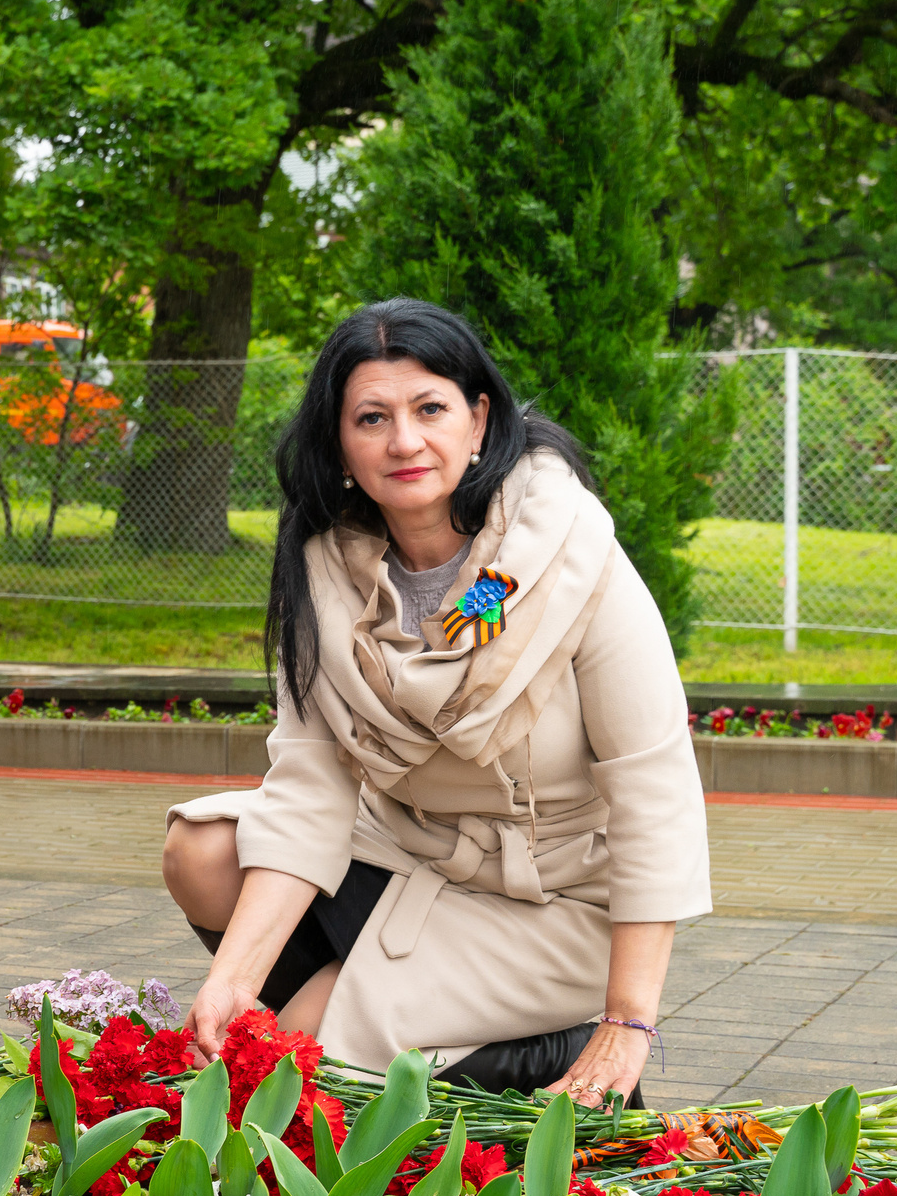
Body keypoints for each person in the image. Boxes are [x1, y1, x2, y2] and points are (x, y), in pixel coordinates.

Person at [162, 299, 709, 1107]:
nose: (405, 441)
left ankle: (516, 1049)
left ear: (478, 419)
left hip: (552, 900)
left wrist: (630, 1018)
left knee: (295, 1061)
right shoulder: (327, 576)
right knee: (201, 853)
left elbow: (654, 791)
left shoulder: (562, 560)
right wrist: (229, 985)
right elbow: (312, 785)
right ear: (340, 444)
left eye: (430, 409)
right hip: (409, 856)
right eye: (372, 417)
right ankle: (399, 1023)